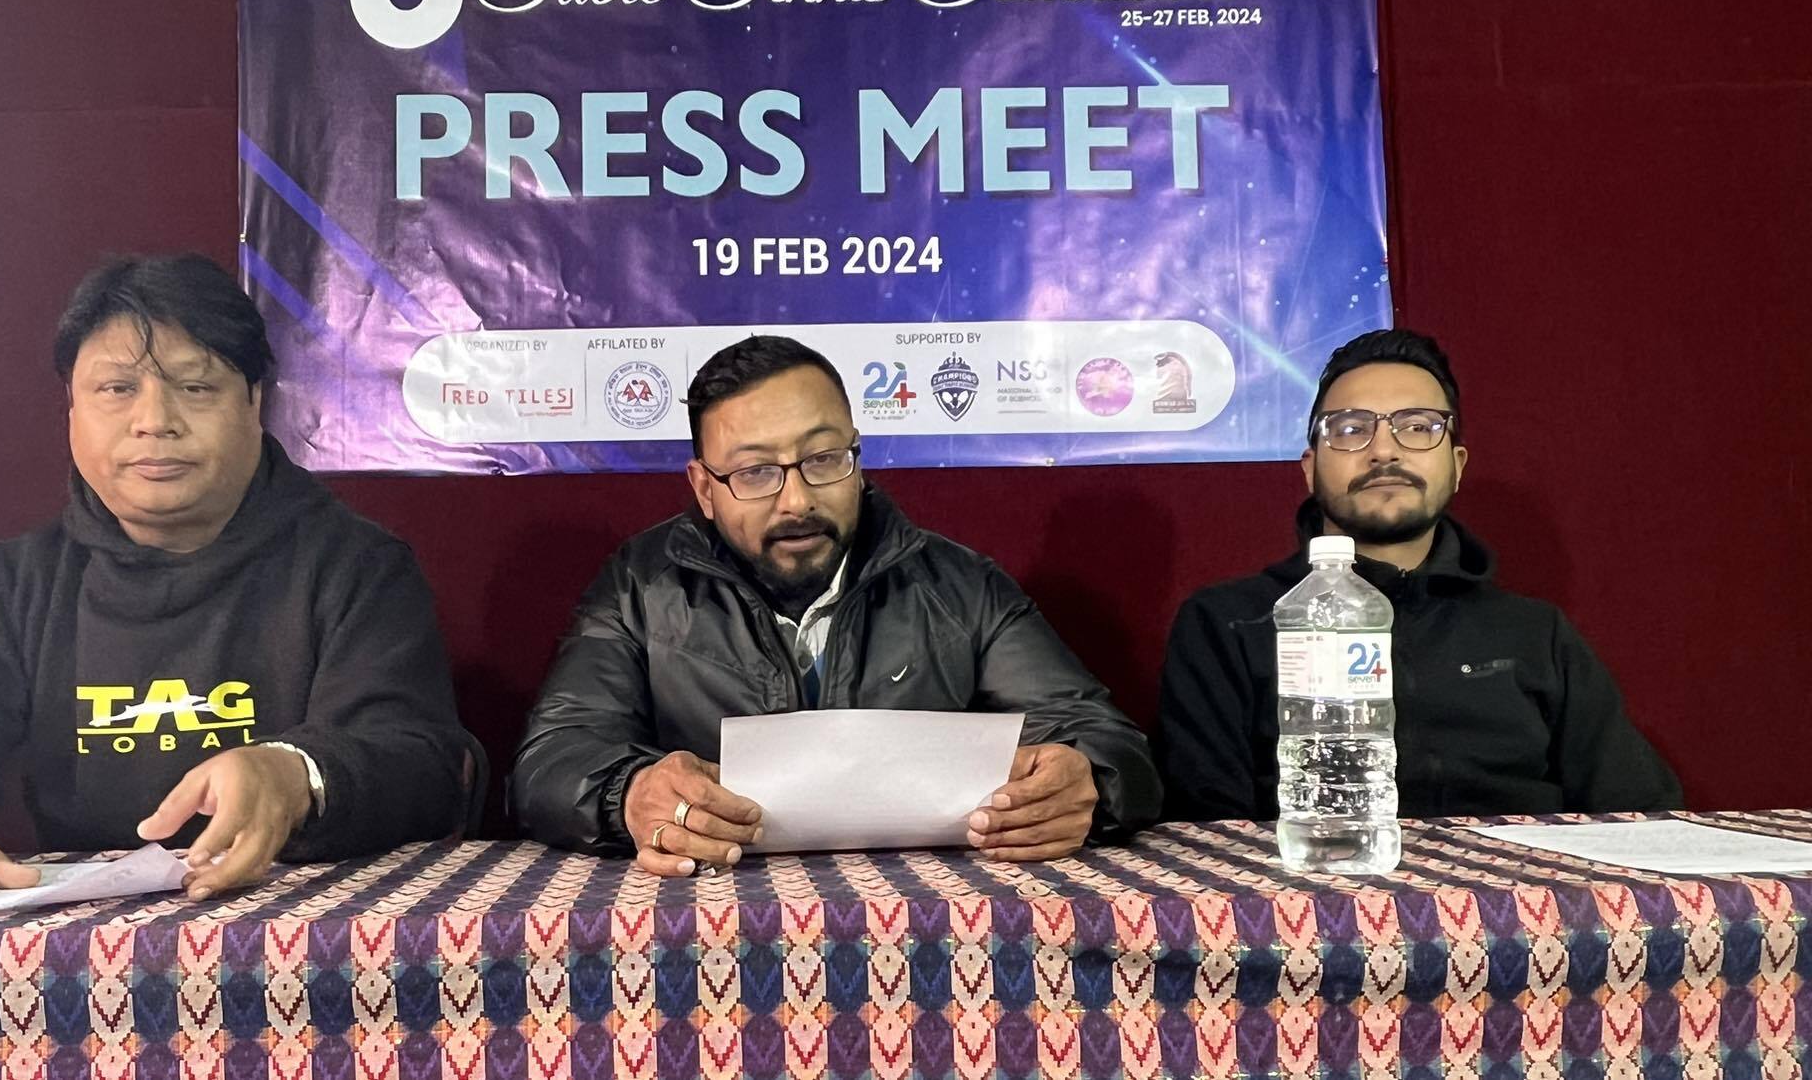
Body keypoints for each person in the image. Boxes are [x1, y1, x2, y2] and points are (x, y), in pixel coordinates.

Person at [0, 254, 481, 913]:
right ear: (72, 409)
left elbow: (420, 764)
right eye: (117, 389)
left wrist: (292, 773)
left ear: (254, 402)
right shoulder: (11, 588)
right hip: (78, 957)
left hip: (312, 937)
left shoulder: (356, 568)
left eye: (196, 387)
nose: (155, 421)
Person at [511, 335, 1161, 873]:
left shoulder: (960, 586)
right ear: (704, 489)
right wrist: (629, 795)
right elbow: (551, 760)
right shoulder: (639, 587)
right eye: (755, 472)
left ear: (858, 456)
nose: (797, 501)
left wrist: (1089, 781)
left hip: (925, 930)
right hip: (710, 921)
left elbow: (1111, 743)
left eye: (823, 459)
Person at [1157, 327, 1681, 820]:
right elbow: (1206, 840)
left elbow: (1642, 817)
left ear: (1457, 464)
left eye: (1417, 427)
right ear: (1310, 468)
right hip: (1309, 880)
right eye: (1352, 429)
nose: (1384, 451)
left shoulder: (1537, 635)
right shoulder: (1229, 624)